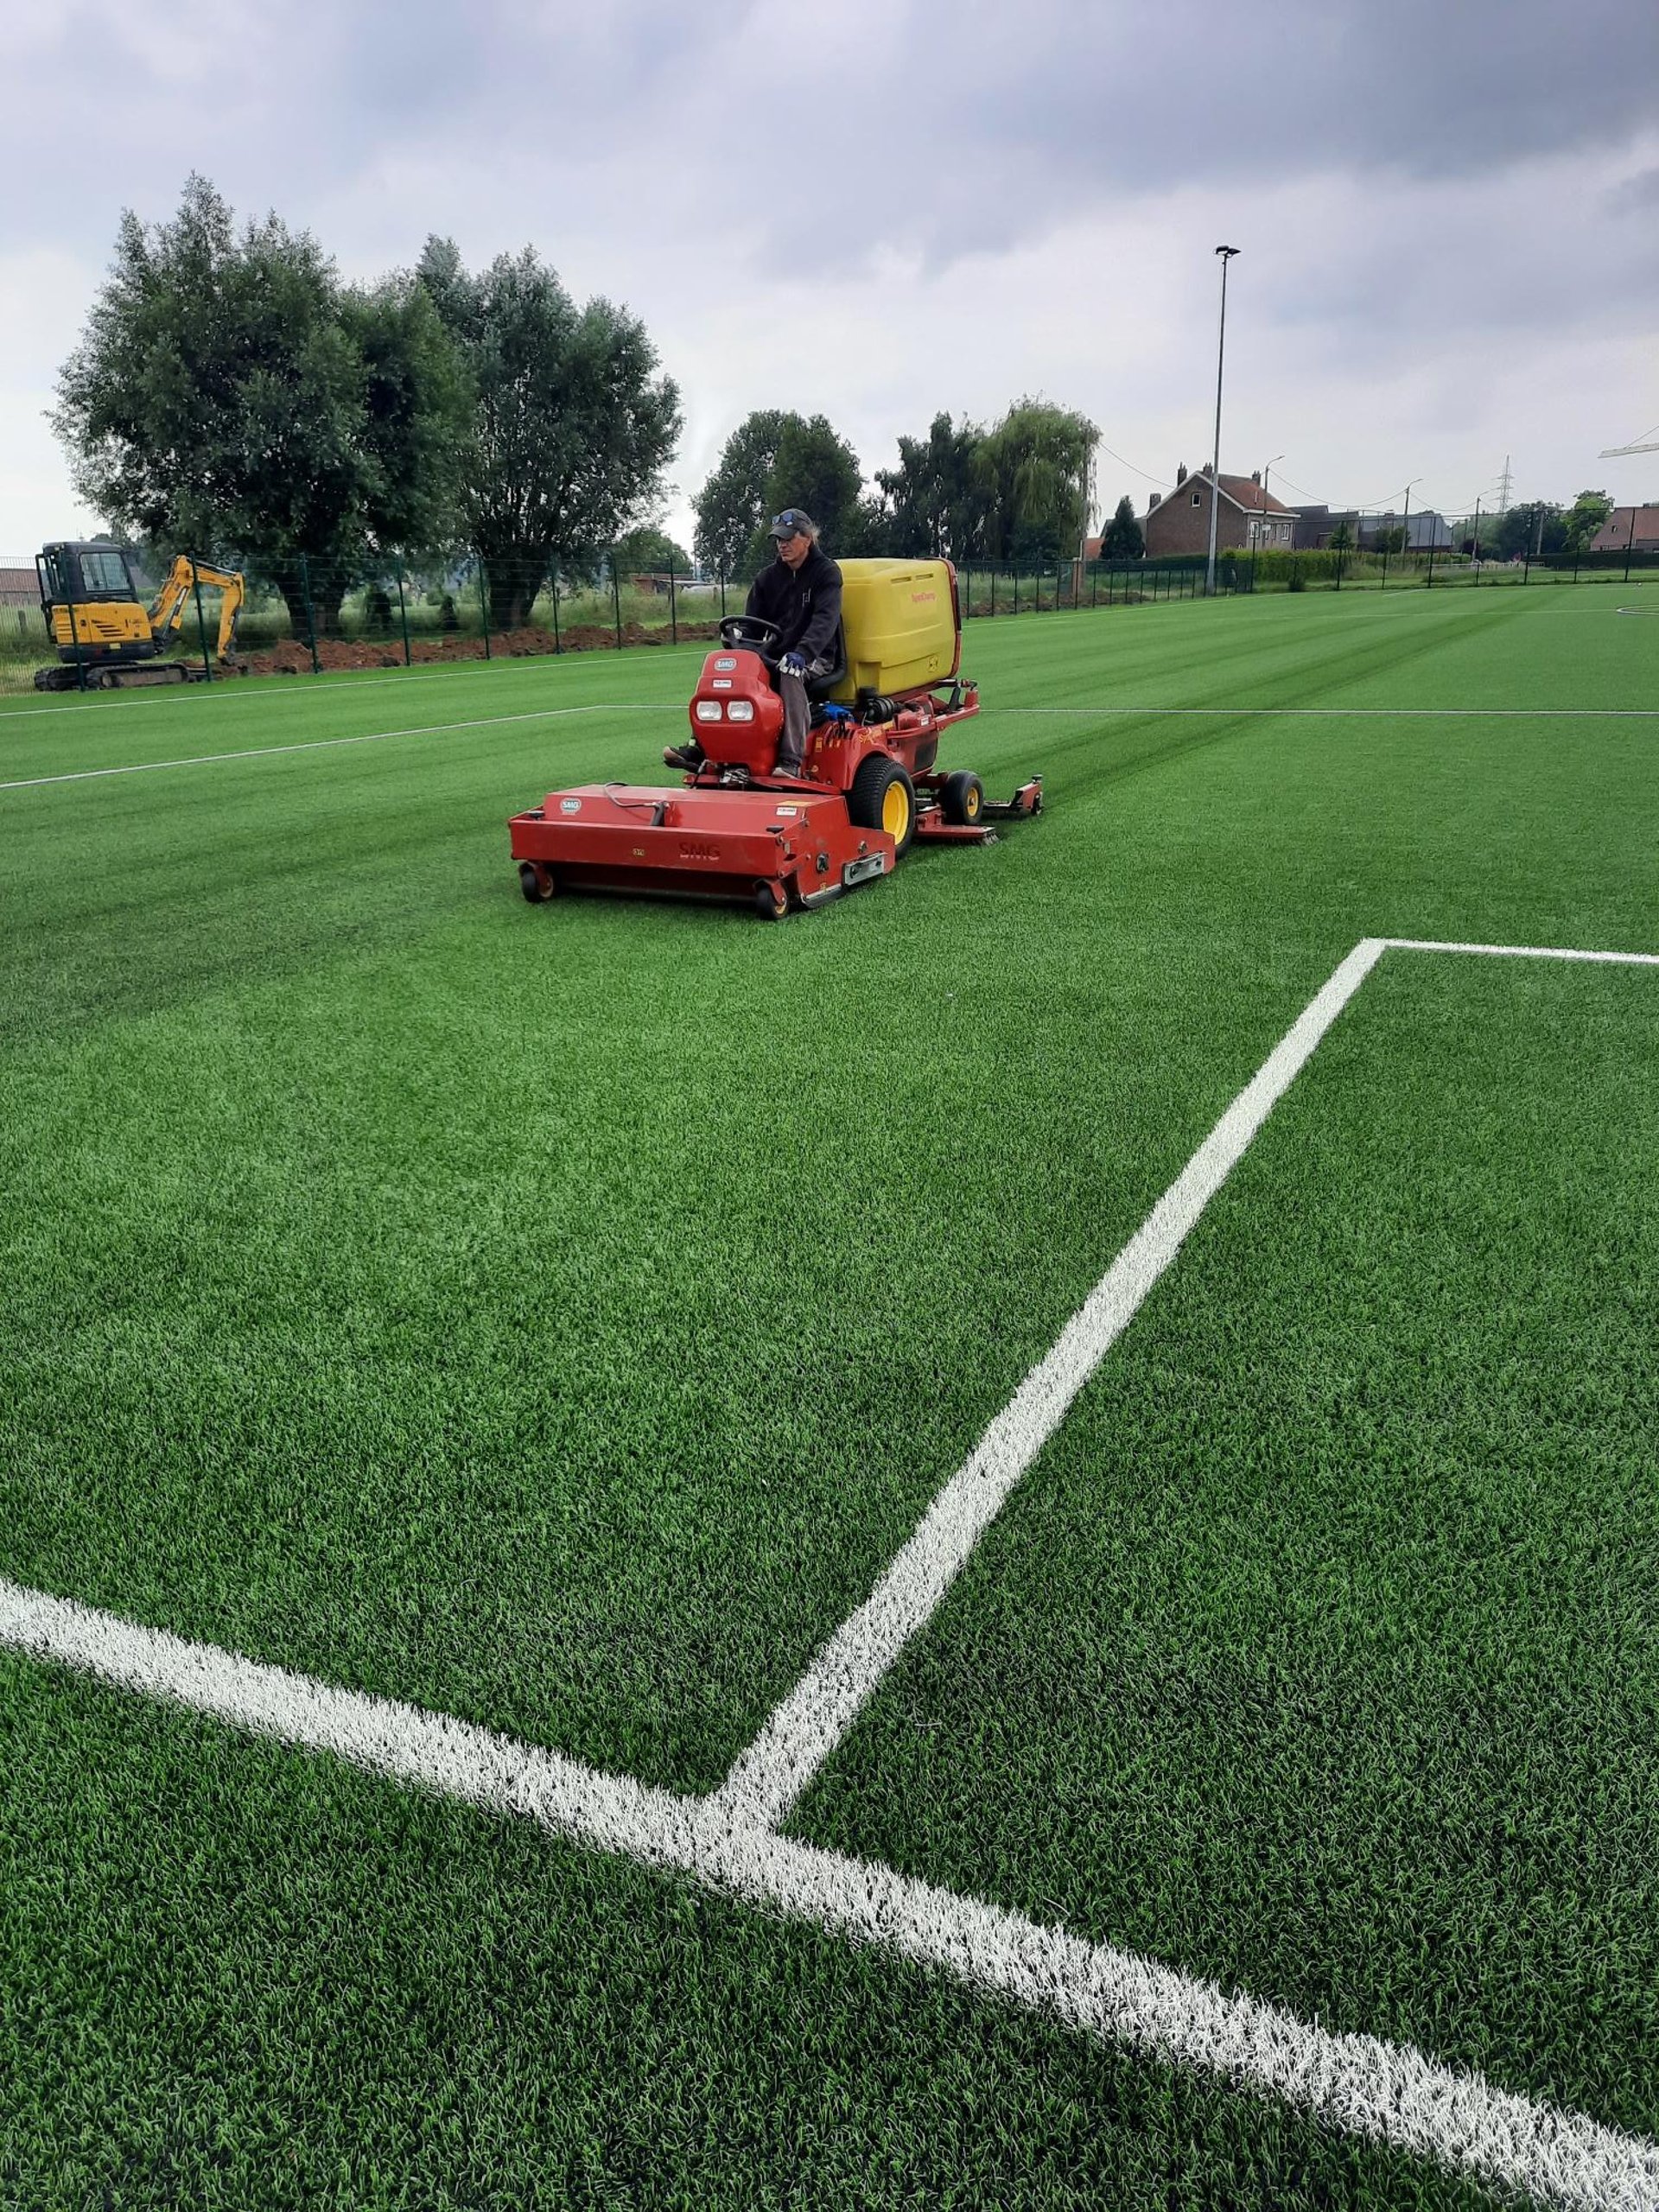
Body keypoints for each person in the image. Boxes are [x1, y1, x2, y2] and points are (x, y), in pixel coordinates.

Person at [665, 508, 842, 778]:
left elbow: (825, 621)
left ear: (807, 538)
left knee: (789, 673)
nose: (782, 545)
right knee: (724, 674)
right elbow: (751, 624)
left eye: (788, 538)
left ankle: (790, 760)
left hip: (815, 656)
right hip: (774, 651)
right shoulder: (767, 578)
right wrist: (740, 647)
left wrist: (802, 654)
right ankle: (701, 748)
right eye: (778, 540)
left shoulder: (826, 573)